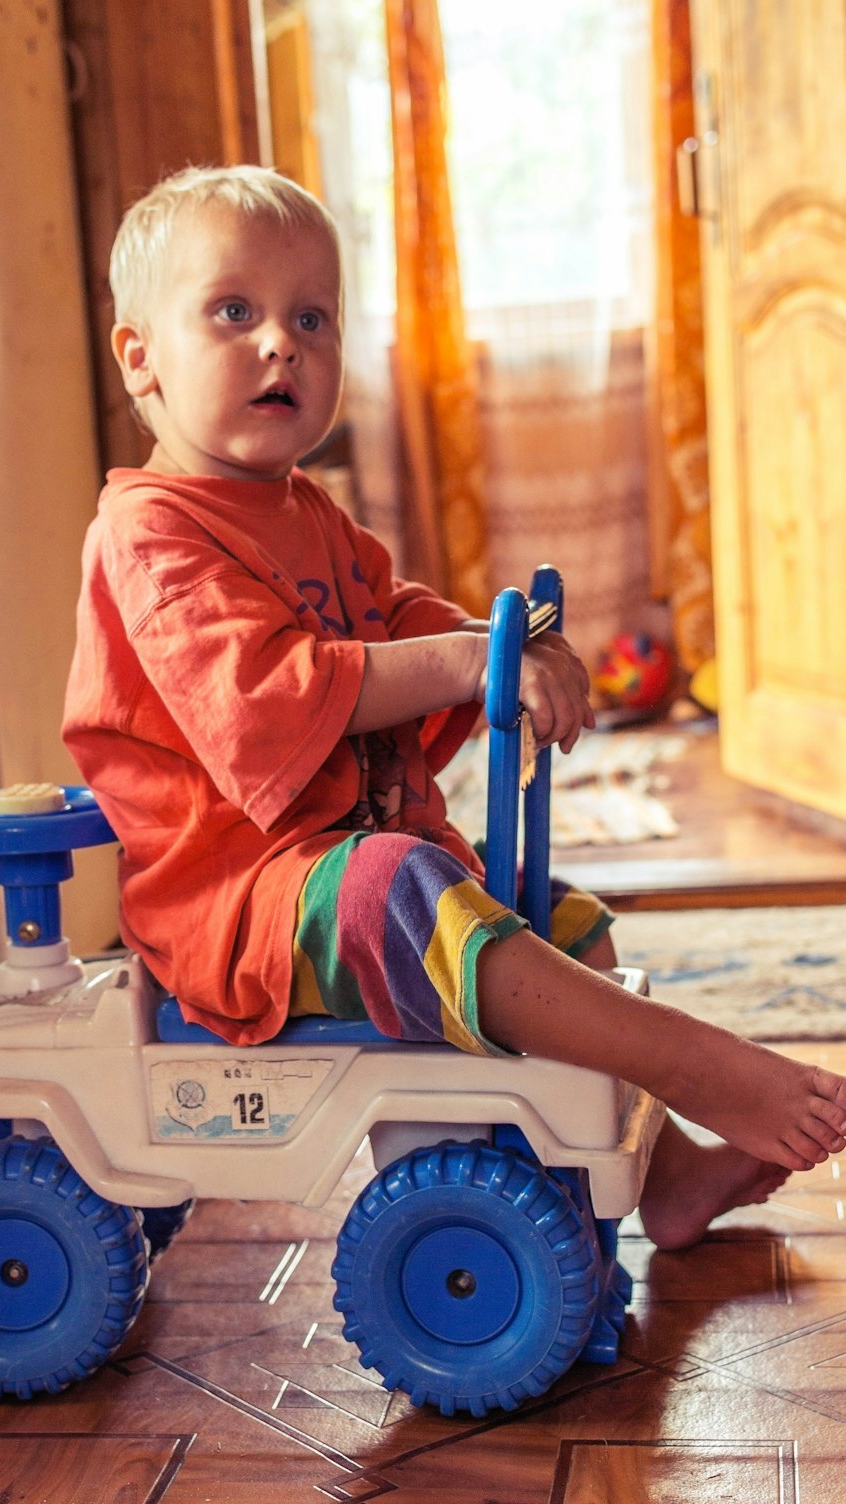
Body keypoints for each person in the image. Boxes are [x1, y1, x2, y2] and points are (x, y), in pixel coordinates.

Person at [63, 164, 846, 1253]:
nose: (280, 342)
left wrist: (506, 646)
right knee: (407, 889)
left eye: (313, 317)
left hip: (337, 858)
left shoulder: (308, 511)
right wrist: (464, 658)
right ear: (140, 356)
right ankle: (694, 1061)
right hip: (237, 898)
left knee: (554, 917)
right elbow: (261, 702)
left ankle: (664, 1175)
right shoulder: (148, 534)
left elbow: (391, 621)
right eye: (233, 311)